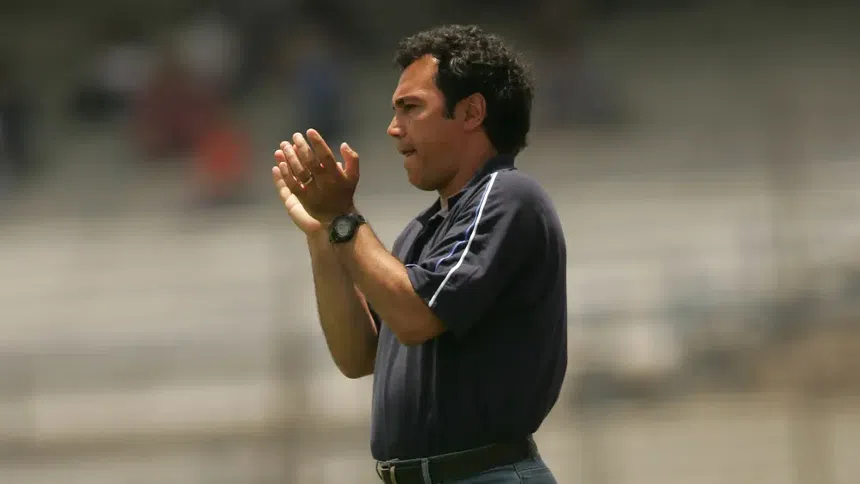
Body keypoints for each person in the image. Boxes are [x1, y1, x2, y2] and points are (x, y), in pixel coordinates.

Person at [271, 25, 567, 484]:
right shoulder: (421, 232)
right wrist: (323, 234)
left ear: (471, 112)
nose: (394, 128)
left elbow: (416, 317)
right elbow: (357, 356)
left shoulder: (508, 197)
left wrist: (344, 218)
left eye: (411, 107)